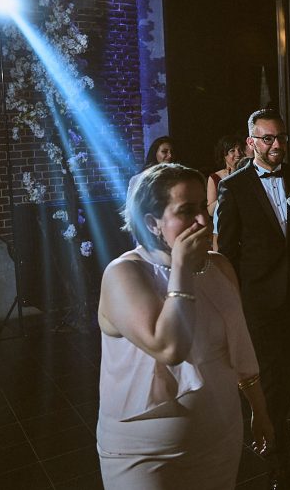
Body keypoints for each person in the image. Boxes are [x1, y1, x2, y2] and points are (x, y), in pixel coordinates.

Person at [97, 163, 274, 489]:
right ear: (152, 223)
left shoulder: (219, 266)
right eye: (187, 210)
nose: (203, 220)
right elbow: (169, 347)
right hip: (148, 456)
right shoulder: (124, 274)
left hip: (220, 436)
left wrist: (260, 411)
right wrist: (180, 267)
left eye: (203, 208)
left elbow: (239, 347)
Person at [216, 108, 290, 490]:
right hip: (258, 298)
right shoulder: (234, 187)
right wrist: (233, 302)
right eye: (268, 138)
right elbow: (227, 252)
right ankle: (276, 453)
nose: (277, 144)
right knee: (267, 372)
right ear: (251, 143)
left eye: (281, 137)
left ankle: (270, 426)